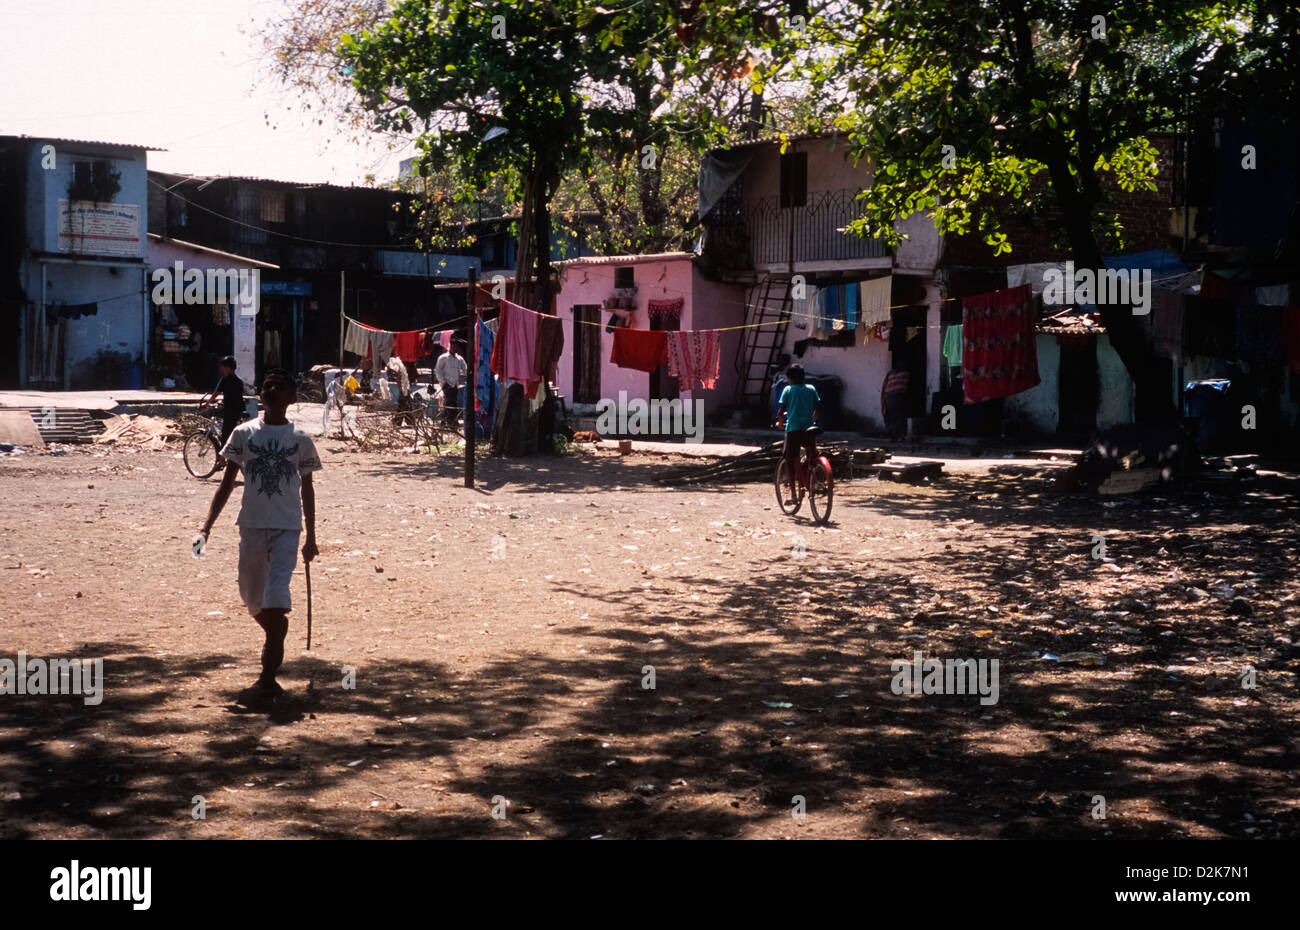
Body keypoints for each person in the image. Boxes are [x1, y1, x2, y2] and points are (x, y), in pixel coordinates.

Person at [199, 368, 322, 705]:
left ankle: (267, 681)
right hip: (251, 525)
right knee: (253, 599)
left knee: (276, 600)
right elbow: (226, 483)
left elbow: (308, 489)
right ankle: (274, 638)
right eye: (267, 386)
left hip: (287, 528)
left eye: (279, 387)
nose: (271, 391)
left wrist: (311, 537)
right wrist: (206, 526)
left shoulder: (301, 440)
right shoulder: (243, 434)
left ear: (291, 397)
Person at [776, 363, 822, 505]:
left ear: (790, 378)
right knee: (811, 456)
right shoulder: (811, 388)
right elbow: (818, 408)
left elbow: (781, 410)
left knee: (790, 460)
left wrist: (779, 422)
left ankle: (794, 496)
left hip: (794, 428)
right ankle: (815, 479)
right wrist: (813, 419)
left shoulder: (788, 389)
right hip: (809, 428)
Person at [201, 356, 245, 448]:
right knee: (232, 433)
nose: (223, 369)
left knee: (225, 436)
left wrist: (207, 403)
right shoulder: (239, 381)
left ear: (228, 368)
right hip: (239, 410)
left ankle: (222, 459)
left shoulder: (225, 380)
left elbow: (215, 394)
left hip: (230, 411)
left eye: (224, 367)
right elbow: (236, 395)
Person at [435, 338, 468, 426]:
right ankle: (449, 421)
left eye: (456, 347)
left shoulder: (459, 359)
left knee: (452, 402)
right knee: (448, 402)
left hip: (455, 385)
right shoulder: (443, 358)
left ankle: (448, 421)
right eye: (452, 346)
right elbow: (438, 370)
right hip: (446, 384)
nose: (454, 348)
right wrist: (443, 382)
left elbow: (465, 369)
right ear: (450, 346)